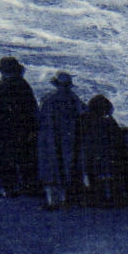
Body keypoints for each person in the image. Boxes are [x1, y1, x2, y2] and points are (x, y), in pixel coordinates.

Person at [0, 56, 39, 198]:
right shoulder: (23, 85)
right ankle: (28, 186)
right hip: (23, 129)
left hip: (5, 130)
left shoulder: (1, 87)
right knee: (24, 158)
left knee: (6, 160)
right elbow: (32, 108)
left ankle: (9, 188)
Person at [37, 71, 82, 211]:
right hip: (69, 139)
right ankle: (64, 200)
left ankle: (51, 202)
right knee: (66, 166)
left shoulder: (48, 99)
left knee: (49, 167)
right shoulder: (74, 99)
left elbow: (40, 118)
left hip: (49, 138)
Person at [77, 94, 128, 206]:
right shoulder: (108, 121)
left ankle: (97, 198)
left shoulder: (86, 120)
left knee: (94, 175)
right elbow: (117, 137)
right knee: (108, 175)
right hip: (107, 154)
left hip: (92, 154)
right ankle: (110, 197)